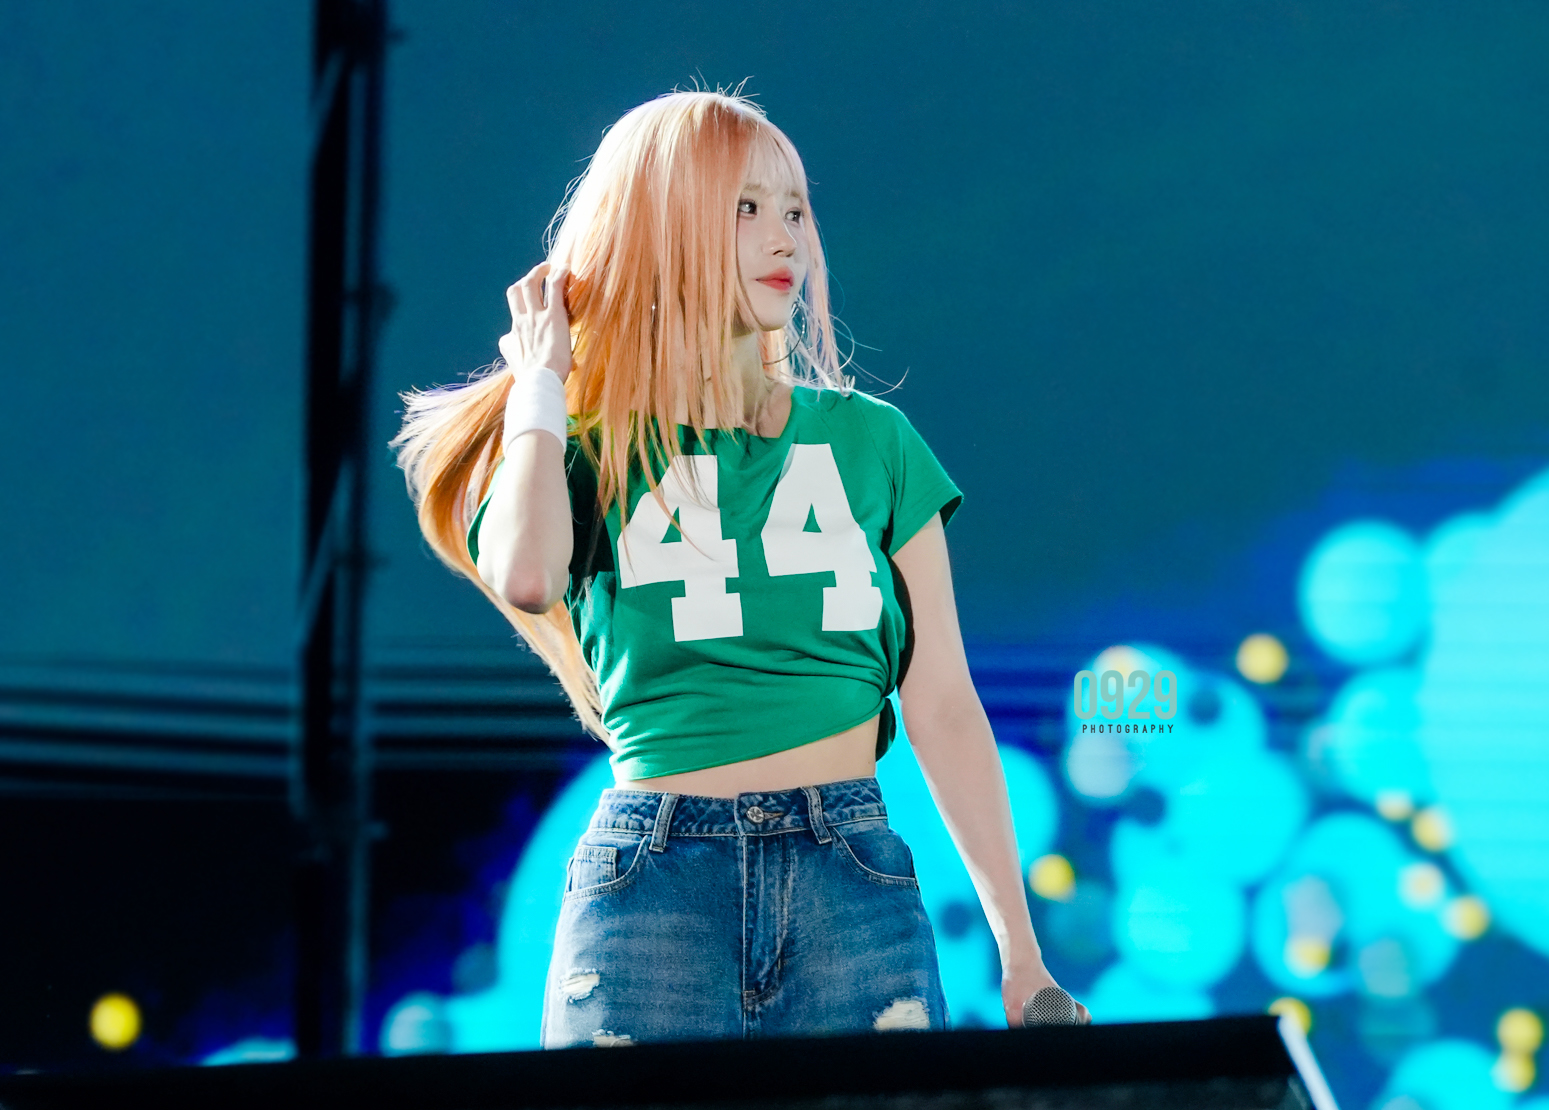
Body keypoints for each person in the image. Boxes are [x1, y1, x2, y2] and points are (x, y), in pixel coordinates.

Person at [391, 89, 1087, 1044]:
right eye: (745, 208)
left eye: (794, 210)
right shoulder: (586, 451)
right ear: (658, 229)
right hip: (651, 881)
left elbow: (944, 705)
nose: (783, 238)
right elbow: (527, 576)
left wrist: (1021, 954)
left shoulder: (873, 442)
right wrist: (541, 389)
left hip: (851, 877)